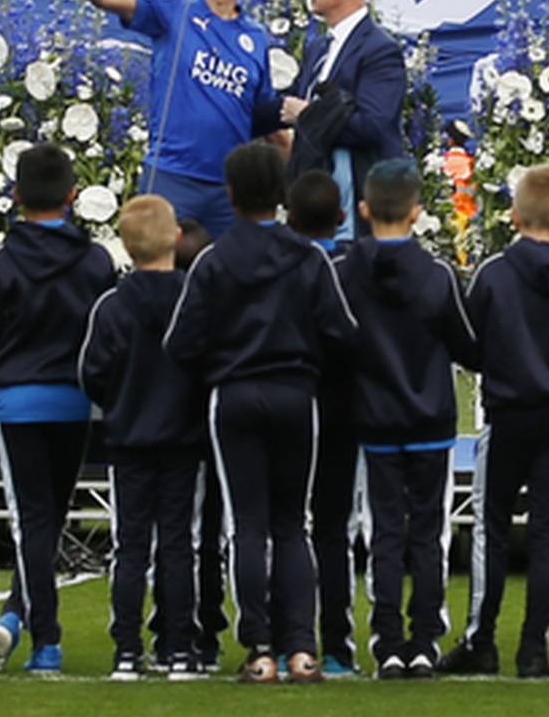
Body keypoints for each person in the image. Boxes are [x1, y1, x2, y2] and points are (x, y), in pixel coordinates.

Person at [165, 141, 356, 684]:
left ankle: (260, 650)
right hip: (297, 394)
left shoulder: (213, 259)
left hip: (236, 395)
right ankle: (302, 649)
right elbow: (344, 332)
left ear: (229, 194)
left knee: (247, 524)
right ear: (282, 194)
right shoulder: (309, 256)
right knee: (293, 523)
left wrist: (217, 362)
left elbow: (181, 341)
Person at [440, 165, 549, 680]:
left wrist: (501, 361)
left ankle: (481, 638)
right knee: (548, 528)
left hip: (507, 412)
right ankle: (536, 644)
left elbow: (468, 341)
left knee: (490, 526)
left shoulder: (494, 273)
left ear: (513, 215)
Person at [0, 143, 117, 678]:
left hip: (18, 400)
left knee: (34, 520)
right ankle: (15, 614)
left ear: (14, 196)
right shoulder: (97, 260)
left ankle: (45, 639)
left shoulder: (0, 261)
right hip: (76, 400)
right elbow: (106, 329)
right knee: (48, 518)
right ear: (74, 196)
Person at [34, 0, 280, 241]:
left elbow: (264, 116)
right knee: (157, 275)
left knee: (226, 282)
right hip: (171, 175)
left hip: (229, 187)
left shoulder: (256, 38)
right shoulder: (173, 13)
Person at [334, 158, 477, 677]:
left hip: (374, 421)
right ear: (417, 212)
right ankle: (423, 642)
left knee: (384, 532)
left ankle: (388, 640)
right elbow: (469, 343)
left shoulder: (344, 272)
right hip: (430, 420)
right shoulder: (436, 274)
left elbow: (333, 340)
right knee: (428, 532)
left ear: (364, 209)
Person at [78, 193, 205, 681]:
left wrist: (119, 404)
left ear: (126, 248)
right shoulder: (193, 297)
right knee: (176, 544)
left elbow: (93, 371)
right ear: (176, 238)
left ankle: (127, 649)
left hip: (130, 436)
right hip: (181, 436)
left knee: (131, 545)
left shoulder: (113, 304)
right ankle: (177, 649)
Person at [284, 166, 361, 675]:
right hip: (340, 408)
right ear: (341, 216)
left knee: (287, 525)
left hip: (296, 403)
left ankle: (287, 640)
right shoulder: (353, 267)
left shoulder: (282, 265)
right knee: (332, 529)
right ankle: (333, 644)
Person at [281, 0, 408, 241]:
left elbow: (374, 125)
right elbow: (290, 105)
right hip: (313, 195)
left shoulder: (379, 49)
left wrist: (307, 116)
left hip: (354, 197)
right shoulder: (318, 48)